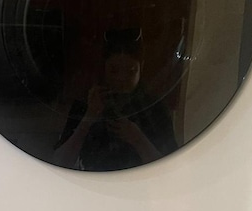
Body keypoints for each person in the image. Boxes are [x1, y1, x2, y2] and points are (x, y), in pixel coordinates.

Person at [54, 30, 177, 171]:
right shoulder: (86, 103)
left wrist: (138, 139)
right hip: (91, 184)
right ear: (104, 68)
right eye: (114, 70)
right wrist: (88, 118)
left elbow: (170, 170)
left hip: (139, 185)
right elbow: (60, 163)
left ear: (141, 67)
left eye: (131, 71)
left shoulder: (154, 108)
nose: (121, 79)